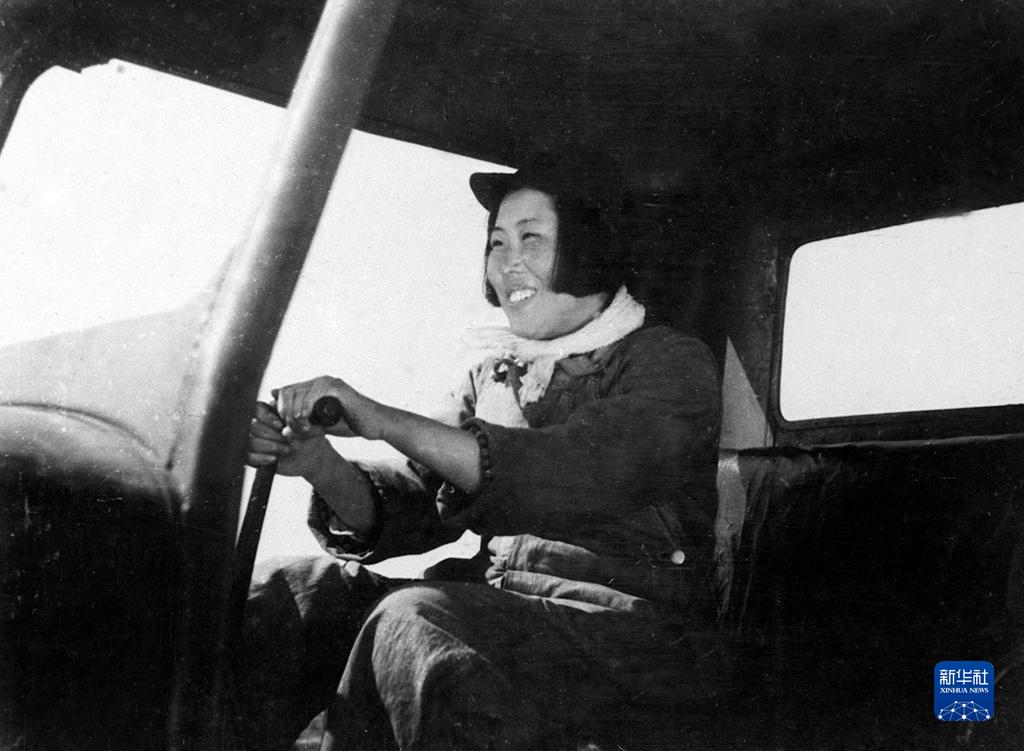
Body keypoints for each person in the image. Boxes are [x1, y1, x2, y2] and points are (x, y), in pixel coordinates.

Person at [236, 148, 722, 751]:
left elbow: (573, 468)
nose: (507, 264)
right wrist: (318, 462)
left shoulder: (670, 362)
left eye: (531, 239)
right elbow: (416, 504)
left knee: (414, 621)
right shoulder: (494, 377)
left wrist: (380, 419)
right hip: (498, 610)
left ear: (588, 248)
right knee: (290, 593)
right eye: (497, 243)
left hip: (625, 635)